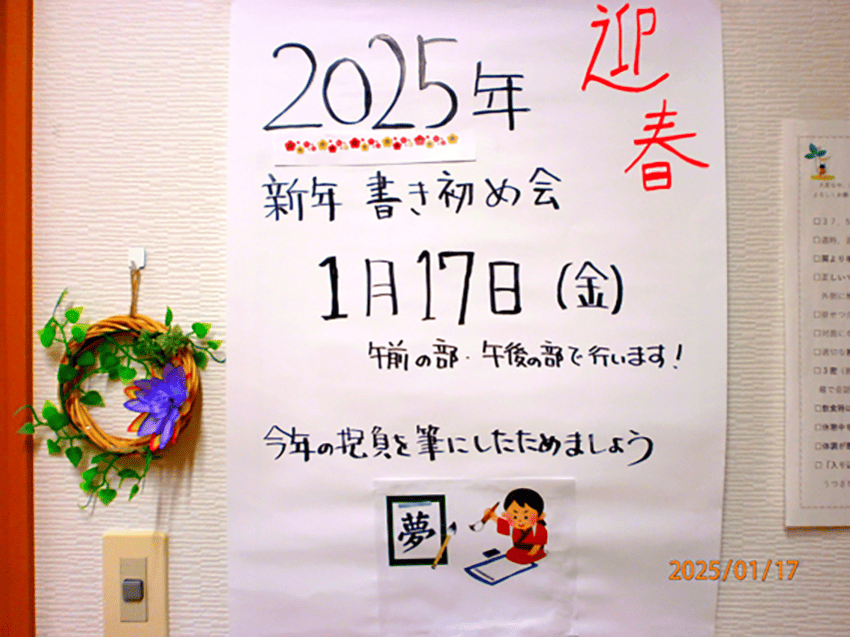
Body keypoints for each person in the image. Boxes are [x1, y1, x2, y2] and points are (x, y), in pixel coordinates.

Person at [485, 488, 547, 564]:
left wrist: (531, 554)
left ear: (540, 516)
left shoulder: (539, 529)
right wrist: (493, 517)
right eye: (515, 517)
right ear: (506, 515)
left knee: (522, 559)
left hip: (534, 552)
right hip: (516, 550)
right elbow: (504, 526)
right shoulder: (515, 528)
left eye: (526, 517)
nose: (520, 520)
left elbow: (537, 545)